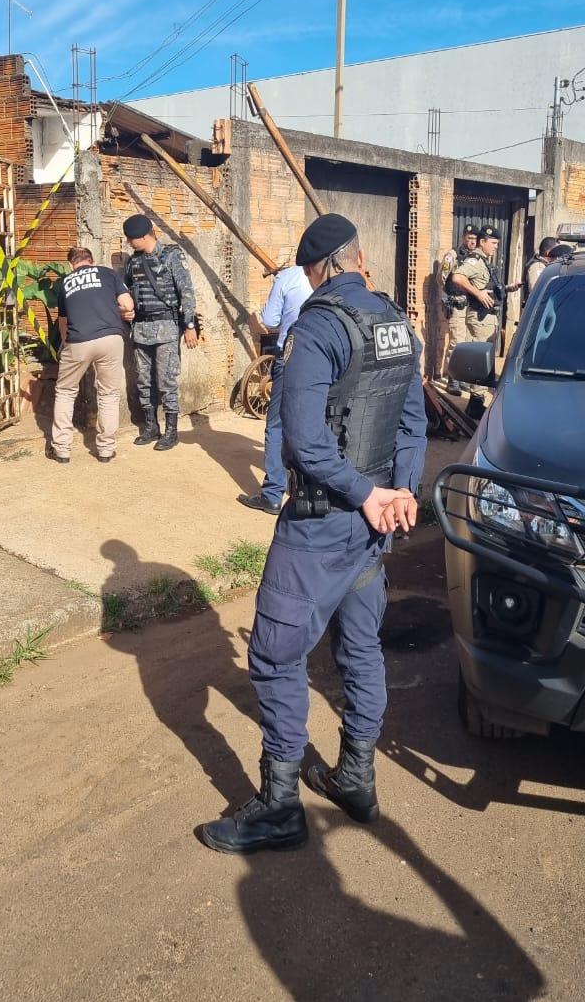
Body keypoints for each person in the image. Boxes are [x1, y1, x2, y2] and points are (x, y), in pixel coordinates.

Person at [201, 213, 427, 855]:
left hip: (323, 522)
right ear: (358, 260)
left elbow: (303, 442)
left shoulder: (318, 327)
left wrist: (366, 495)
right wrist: (397, 492)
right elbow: (414, 423)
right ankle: (356, 777)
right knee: (359, 647)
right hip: (372, 525)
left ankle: (278, 807)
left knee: (274, 655)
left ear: (321, 267)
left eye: (304, 271)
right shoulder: (395, 324)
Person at [48, 247, 135, 464]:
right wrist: (115, 310)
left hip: (78, 341)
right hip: (111, 338)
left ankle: (62, 450)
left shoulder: (65, 283)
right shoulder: (107, 273)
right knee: (108, 393)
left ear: (71, 265)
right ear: (92, 261)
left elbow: (63, 323)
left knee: (66, 392)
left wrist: (67, 346)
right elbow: (127, 304)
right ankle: (106, 449)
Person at [238, 263, 312, 515]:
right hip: (324, 358)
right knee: (316, 422)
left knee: (277, 425)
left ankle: (272, 494)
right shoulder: (334, 276)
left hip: (290, 355)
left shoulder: (287, 277)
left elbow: (270, 320)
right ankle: (311, 491)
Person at [121, 214, 198, 452]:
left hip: (166, 327)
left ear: (144, 236)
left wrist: (190, 326)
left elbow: (186, 292)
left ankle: (171, 431)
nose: (129, 244)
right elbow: (127, 294)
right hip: (141, 329)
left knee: (166, 381)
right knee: (144, 381)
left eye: (131, 240)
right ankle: (151, 427)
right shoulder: (133, 263)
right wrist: (126, 313)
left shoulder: (172, 255)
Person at [435, 222, 478, 395]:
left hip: (472, 305)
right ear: (463, 238)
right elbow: (441, 278)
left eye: (475, 239)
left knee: (468, 343)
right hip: (457, 305)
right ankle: (453, 380)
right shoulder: (452, 255)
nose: (472, 242)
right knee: (456, 343)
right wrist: (448, 297)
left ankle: (462, 379)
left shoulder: (476, 257)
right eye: (469, 238)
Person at [450, 223, 504, 350]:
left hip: (486, 318)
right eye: (493, 243)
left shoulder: (484, 260)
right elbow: (457, 277)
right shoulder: (475, 261)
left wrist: (507, 288)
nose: (496, 247)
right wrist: (478, 294)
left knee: (484, 360)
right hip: (481, 318)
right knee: (479, 361)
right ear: (483, 242)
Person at [523, 235, 559, 304]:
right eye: (557, 251)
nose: (558, 255)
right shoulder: (537, 266)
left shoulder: (545, 266)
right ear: (548, 252)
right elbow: (537, 292)